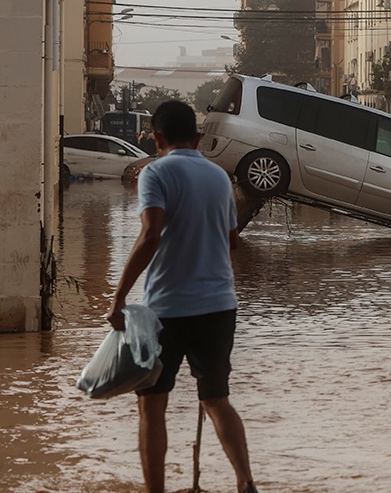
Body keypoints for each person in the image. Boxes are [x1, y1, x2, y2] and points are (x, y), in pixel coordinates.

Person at [108, 100, 258, 493]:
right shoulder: (220, 178)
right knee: (216, 399)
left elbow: (150, 235)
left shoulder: (154, 173)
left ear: (156, 138)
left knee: (152, 405)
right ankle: (246, 484)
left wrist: (119, 296)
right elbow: (232, 242)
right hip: (219, 306)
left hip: (167, 311)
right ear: (197, 137)